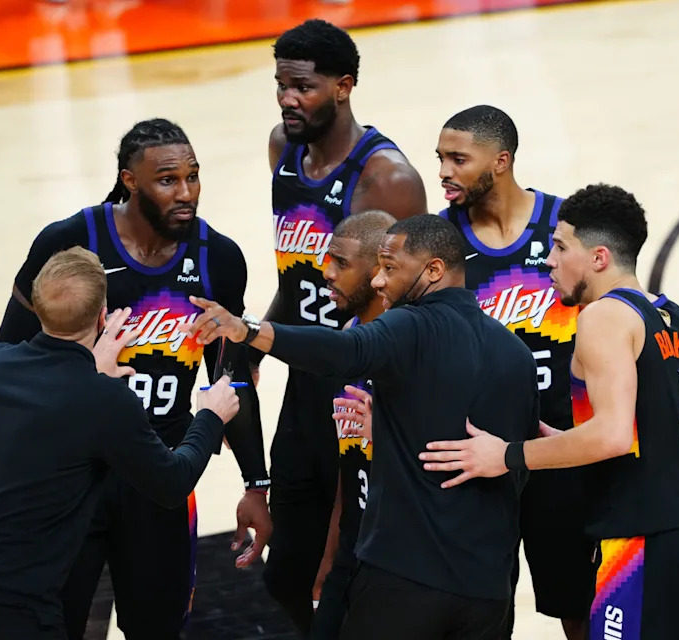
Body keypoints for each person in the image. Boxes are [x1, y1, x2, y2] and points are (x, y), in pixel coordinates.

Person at [189, 214, 540, 640]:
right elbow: (512, 468)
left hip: (406, 578)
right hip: (488, 589)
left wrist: (249, 332)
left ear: (433, 271)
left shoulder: (411, 325)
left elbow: (346, 349)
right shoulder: (517, 354)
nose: (378, 281)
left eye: (390, 269)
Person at [0, 118, 272, 640]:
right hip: (75, 476)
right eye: (168, 180)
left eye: (193, 176)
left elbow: (230, 382)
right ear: (130, 181)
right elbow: (7, 362)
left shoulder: (219, 258)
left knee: (159, 628)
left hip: (161, 473)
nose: (185, 192)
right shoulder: (70, 241)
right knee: (63, 624)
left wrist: (256, 482)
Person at [420, 184, 679, 640]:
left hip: (639, 543)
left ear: (599, 258)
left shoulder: (603, 317)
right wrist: (568, 444)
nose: (549, 260)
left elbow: (610, 435)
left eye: (561, 246)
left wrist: (509, 455)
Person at [0, 247, 241, 640]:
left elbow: (54, 406)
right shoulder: (103, 399)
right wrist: (209, 417)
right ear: (103, 314)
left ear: (38, 307)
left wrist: (90, 367)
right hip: (18, 613)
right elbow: (172, 482)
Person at [261, 18, 428, 635]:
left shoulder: (387, 179)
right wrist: (254, 350)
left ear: (343, 86)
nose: (287, 99)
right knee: (287, 575)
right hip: (304, 369)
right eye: (281, 85)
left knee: (344, 565)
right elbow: (294, 275)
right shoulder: (282, 148)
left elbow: (409, 301)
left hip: (359, 380)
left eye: (301, 87)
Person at [435, 105, 590, 639]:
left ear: (500, 161)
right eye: (440, 159)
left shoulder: (566, 225)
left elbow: (610, 314)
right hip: (477, 454)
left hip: (561, 447)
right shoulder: (440, 243)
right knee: (482, 610)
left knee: (579, 601)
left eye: (458, 159)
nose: (444, 173)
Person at [306, 210, 394, 640]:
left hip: (402, 557)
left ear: (380, 271)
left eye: (341, 263)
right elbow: (350, 462)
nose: (327, 272)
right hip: (354, 546)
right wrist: (331, 551)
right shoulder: (349, 336)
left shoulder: (412, 349)